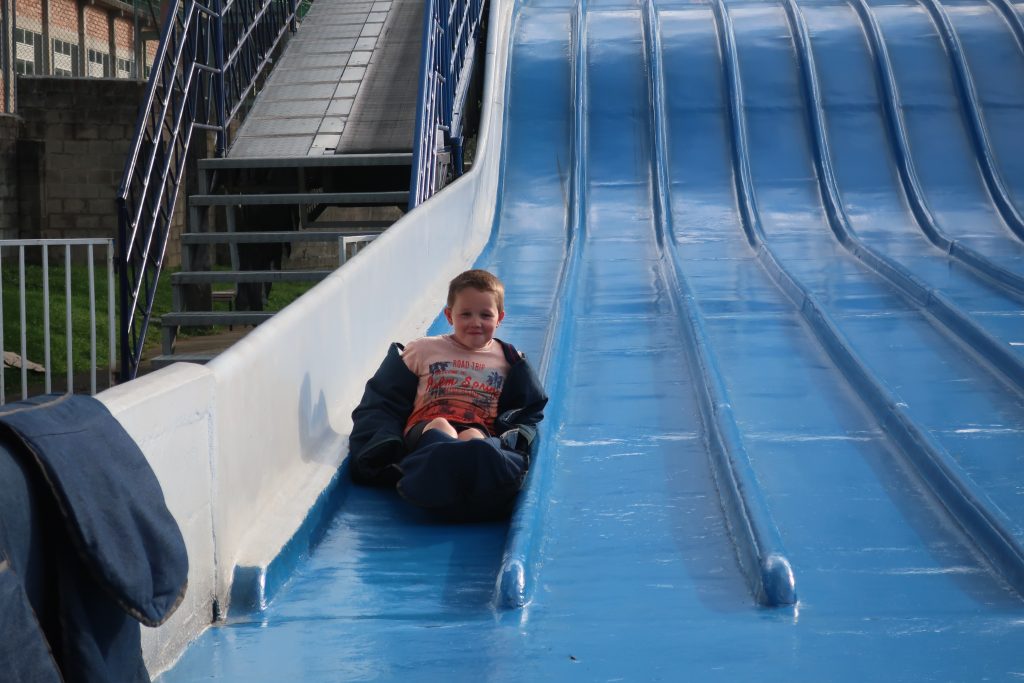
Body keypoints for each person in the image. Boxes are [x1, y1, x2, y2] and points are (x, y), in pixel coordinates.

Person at [348, 269, 548, 519]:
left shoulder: (510, 360)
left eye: (486, 315)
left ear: (500, 318)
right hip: (427, 424)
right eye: (466, 314)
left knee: (475, 438)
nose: (476, 322)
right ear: (449, 315)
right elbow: (385, 395)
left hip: (478, 426)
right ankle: (441, 477)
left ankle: (465, 481)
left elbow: (527, 406)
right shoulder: (422, 349)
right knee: (442, 425)